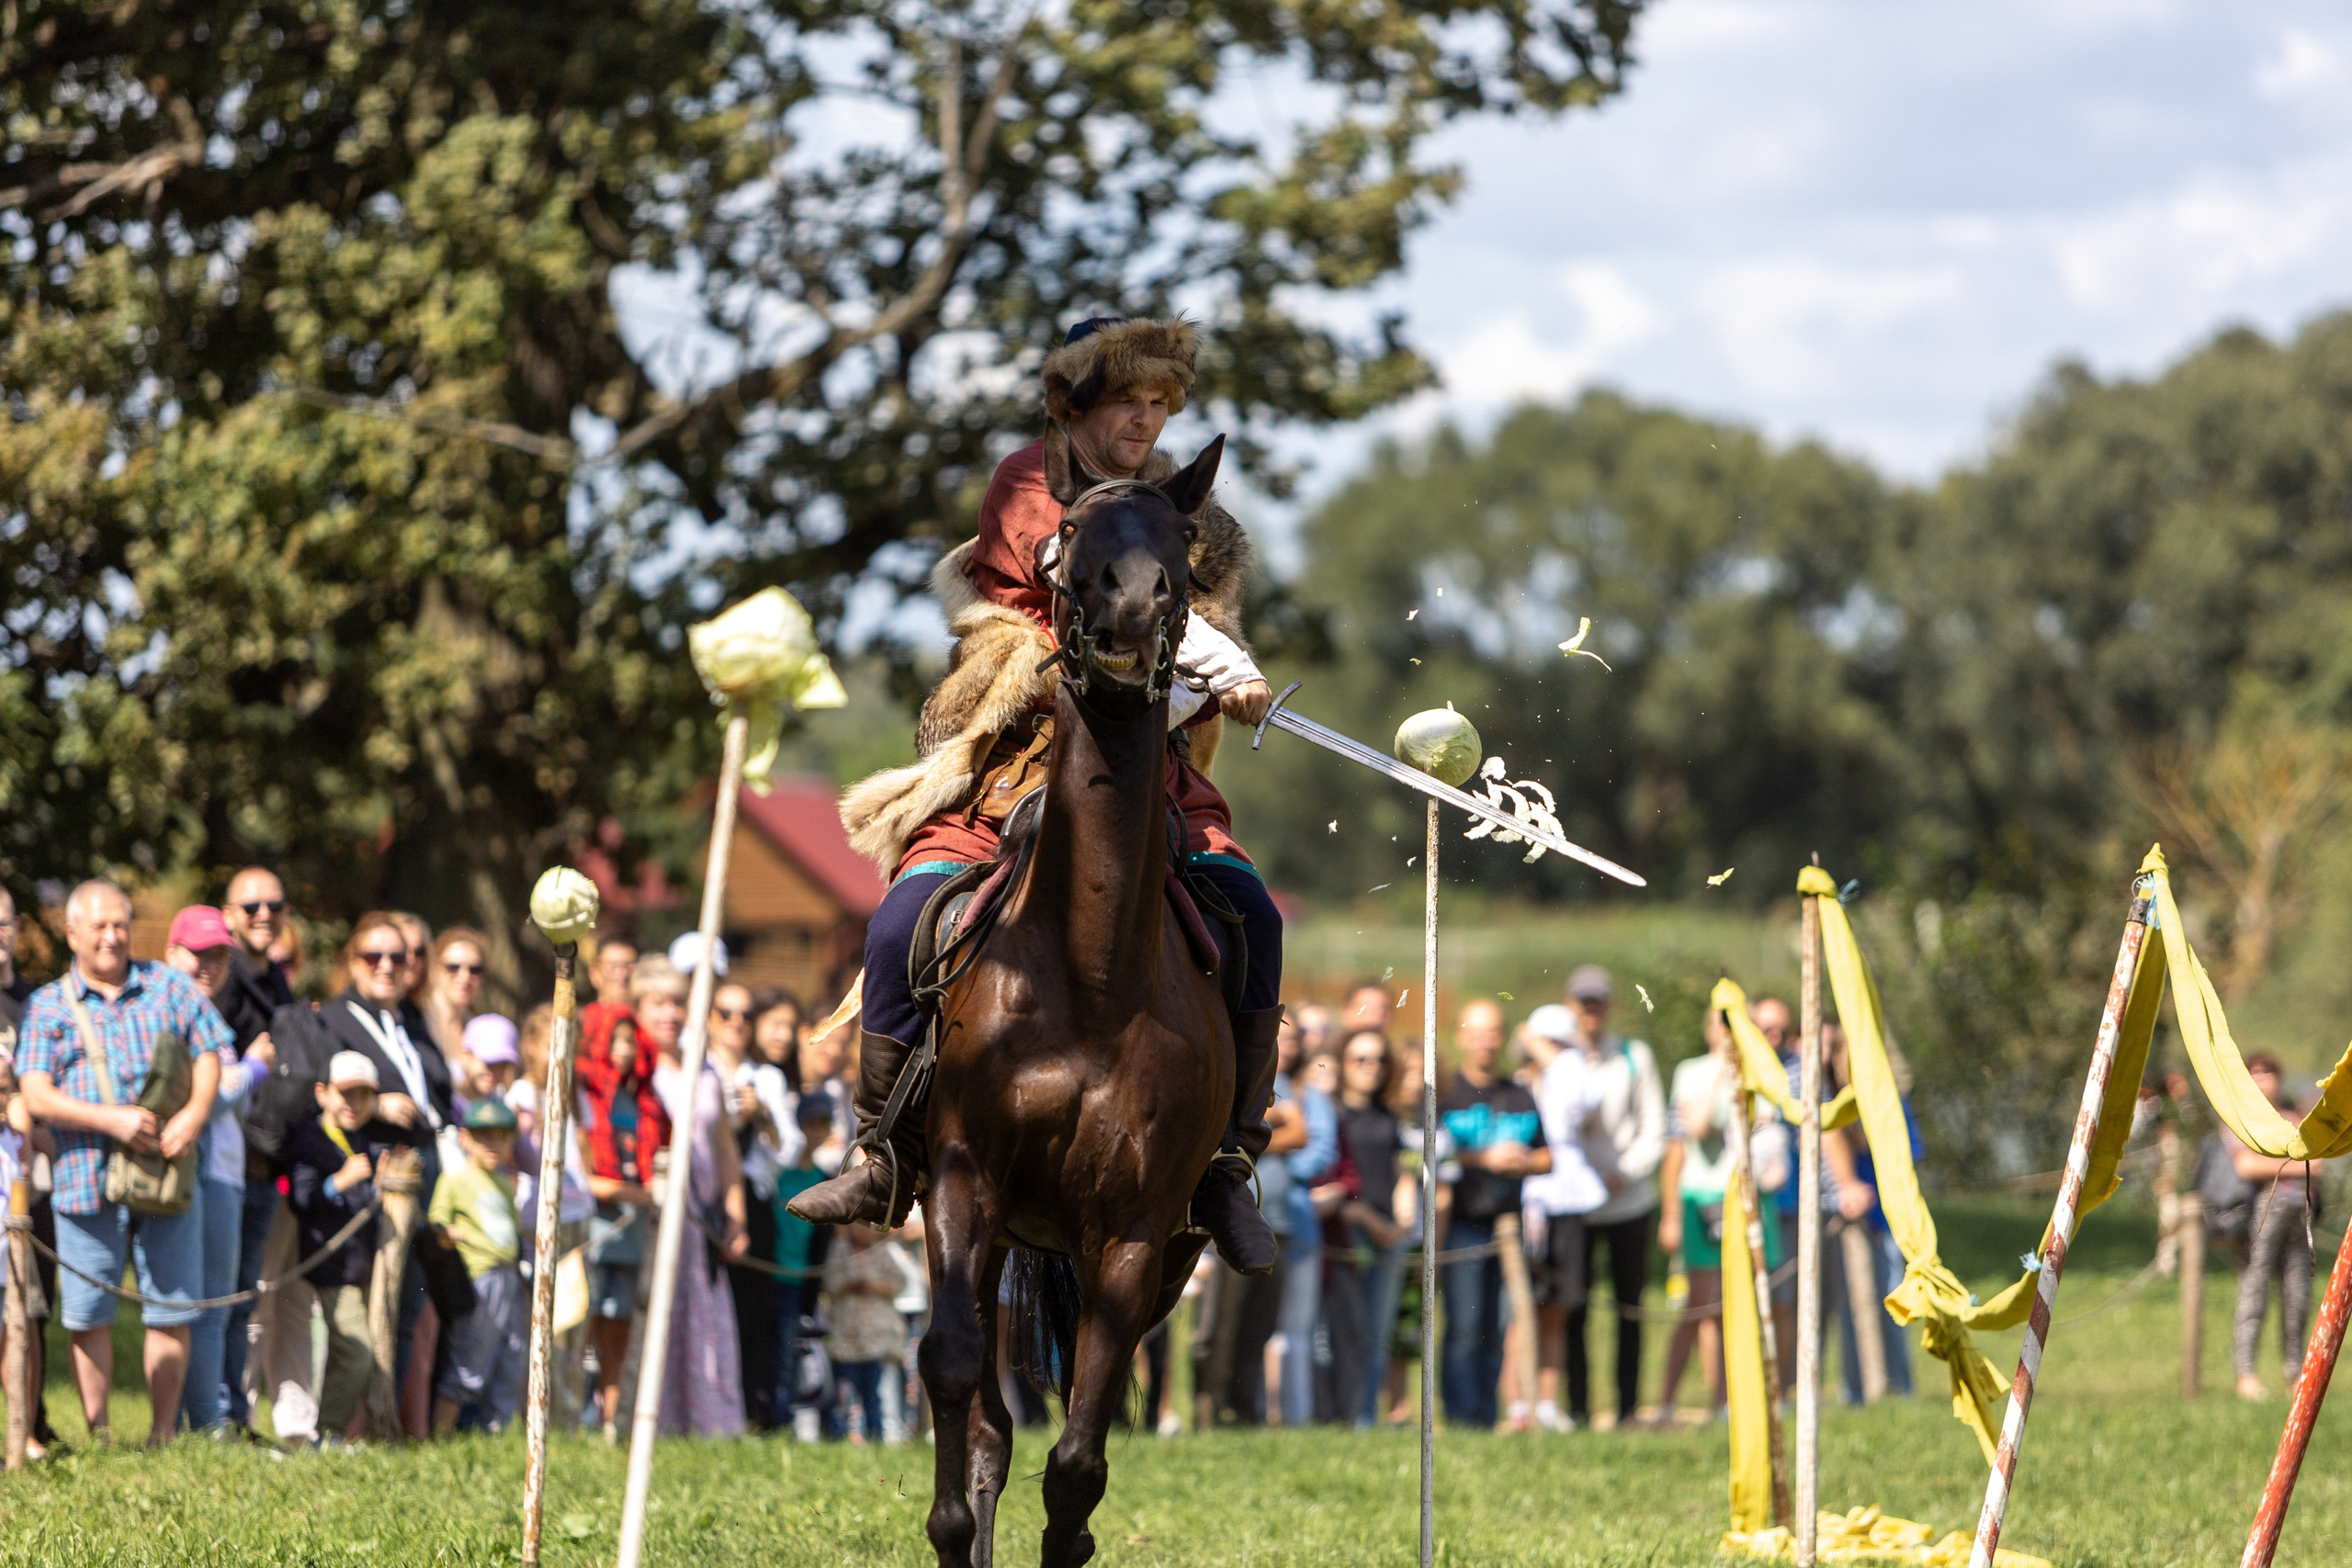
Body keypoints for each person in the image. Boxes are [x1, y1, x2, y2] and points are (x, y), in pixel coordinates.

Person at [797, 315, 1283, 1280]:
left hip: (1151, 772)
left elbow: (1160, 628)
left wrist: (1218, 675)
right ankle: (880, 1148)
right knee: (901, 921)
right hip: (1016, 756)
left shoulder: (1185, 504)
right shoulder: (1031, 476)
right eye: (1126, 403)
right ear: (1079, 408)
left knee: (1254, 918)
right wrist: (1212, 653)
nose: (1145, 422)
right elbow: (1094, 579)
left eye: (1160, 405)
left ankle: (1227, 1159)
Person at [15, 881, 227, 1448]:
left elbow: (210, 1050)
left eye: (120, 925)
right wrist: (110, 1120)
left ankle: (161, 1435)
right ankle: (102, 1438)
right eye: (99, 926)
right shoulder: (48, 1004)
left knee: (170, 1307)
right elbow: (34, 1093)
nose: (111, 937)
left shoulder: (167, 985)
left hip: (167, 1167)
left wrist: (195, 1115)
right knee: (87, 1313)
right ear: (73, 933)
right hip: (84, 1176)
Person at [161, 905, 277, 1434]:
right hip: (196, 1173)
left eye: (219, 956)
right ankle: (206, 1423)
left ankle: (209, 1418)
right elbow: (202, 1098)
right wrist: (252, 1069)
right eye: (197, 954)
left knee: (217, 1302)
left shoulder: (205, 1015)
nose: (209, 965)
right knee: (201, 1302)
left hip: (225, 1172)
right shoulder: (166, 1011)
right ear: (171, 952)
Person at [1541, 966, 1666, 1430]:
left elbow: (1655, 1126)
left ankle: (1629, 1408)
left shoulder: (1635, 1057)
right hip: (1576, 1204)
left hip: (1628, 1200)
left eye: (1597, 1003)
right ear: (1571, 1007)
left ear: (1609, 1007)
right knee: (1573, 1308)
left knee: (1629, 1307)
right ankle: (1578, 1408)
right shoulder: (1556, 1058)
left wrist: (1623, 1173)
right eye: (1582, 1004)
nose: (1590, 1012)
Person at [1656, 1004, 1790, 1421]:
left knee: (1746, 1306)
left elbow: (1768, 1126)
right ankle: (1666, 1402)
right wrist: (1723, 1068)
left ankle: (1732, 1402)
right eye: (1724, 1024)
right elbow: (1694, 1128)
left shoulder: (1761, 1070)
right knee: (1699, 1306)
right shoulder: (1691, 1071)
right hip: (1704, 1197)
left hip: (1750, 1198)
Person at [639, 956, 749, 1437]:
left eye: (678, 1003)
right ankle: (652, 1424)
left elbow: (726, 1150)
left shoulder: (703, 1074)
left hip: (701, 1222)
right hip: (655, 1221)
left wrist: (736, 1217)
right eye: (657, 1003)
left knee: (704, 1325)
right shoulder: (635, 1076)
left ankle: (707, 1425)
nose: (670, 1013)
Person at [1435, 998, 1546, 1429]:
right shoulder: (1445, 1094)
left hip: (1508, 1227)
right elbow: (1433, 1156)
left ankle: (1485, 1413)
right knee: (1463, 1324)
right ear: (1462, 1036)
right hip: (1462, 1225)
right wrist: (1484, 1158)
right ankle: (1459, 1415)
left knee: (1498, 1324)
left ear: (1502, 1038)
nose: (1484, 1042)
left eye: (1493, 1032)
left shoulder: (1519, 1093)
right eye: (1476, 1032)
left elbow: (1548, 1156)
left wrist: (1523, 1162)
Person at [284, 1052, 401, 1444]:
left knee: (347, 1351)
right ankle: (330, 1433)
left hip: (362, 1264)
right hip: (331, 1265)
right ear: (323, 1093)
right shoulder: (308, 1137)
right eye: (346, 1093)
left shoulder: (361, 1139)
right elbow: (301, 1200)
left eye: (365, 1095)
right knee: (357, 1351)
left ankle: (341, 1431)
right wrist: (340, 1182)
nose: (355, 1104)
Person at [710, 978, 792, 1427]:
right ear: (709, 1019)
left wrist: (761, 1114)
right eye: (726, 1013)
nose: (736, 1023)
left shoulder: (767, 1078)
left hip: (756, 1204)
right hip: (707, 1201)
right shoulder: (697, 1070)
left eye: (745, 1015)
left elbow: (787, 1151)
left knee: (752, 1314)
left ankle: (748, 1411)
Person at [1318, 1029, 1409, 1427]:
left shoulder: (1390, 1118)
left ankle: (1365, 1418)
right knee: (1342, 1331)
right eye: (1360, 1060)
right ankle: (1337, 1414)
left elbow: (1402, 1173)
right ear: (1344, 1064)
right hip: (1348, 1235)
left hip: (1389, 1237)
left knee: (1377, 1333)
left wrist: (1402, 1224)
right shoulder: (1332, 1113)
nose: (1370, 1069)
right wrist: (1369, 1221)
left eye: (1378, 1060)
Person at [430, 1099, 527, 1433]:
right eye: (483, 1135)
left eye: (501, 1136)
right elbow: (436, 1223)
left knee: (512, 1357)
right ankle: (440, 1438)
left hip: (510, 1276)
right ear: (466, 1138)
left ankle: (494, 1434)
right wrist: (449, 1233)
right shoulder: (456, 1180)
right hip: (479, 1278)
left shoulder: (503, 1183)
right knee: (470, 1360)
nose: (493, 1144)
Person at [2230, 1053, 2314, 1401]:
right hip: (2261, 1212)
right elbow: (2246, 1166)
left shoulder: (2297, 1113)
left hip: (2301, 1212)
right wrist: (2294, 1161)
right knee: (2255, 1290)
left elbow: (2320, 1161)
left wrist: (2276, 1161)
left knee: (2298, 1295)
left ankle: (2295, 1375)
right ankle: (2246, 1374)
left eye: (2268, 1072)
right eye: (2256, 1073)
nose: (2263, 1078)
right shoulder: (2243, 1116)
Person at [772, 1096, 840, 1438]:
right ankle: (778, 1418)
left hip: (808, 1281)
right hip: (774, 1276)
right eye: (812, 1123)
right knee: (781, 1353)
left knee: (809, 1354)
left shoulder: (825, 1177)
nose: (818, 1131)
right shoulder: (778, 1173)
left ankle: (813, 1423)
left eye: (824, 1124)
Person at [822, 1224, 908, 1443]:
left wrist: (875, 1287)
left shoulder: (883, 1251)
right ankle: (841, 1435)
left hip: (875, 1340)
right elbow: (828, 1282)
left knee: (875, 1392)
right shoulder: (838, 1249)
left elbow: (900, 1282)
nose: (862, 1230)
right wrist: (850, 1286)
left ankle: (876, 1434)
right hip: (847, 1337)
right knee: (846, 1391)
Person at [419, 928, 491, 1076]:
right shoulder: (418, 1021)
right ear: (434, 970)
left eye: (474, 970)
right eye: (453, 967)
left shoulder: (479, 1029)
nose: (465, 976)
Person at [588, 935, 639, 1007]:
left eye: (628, 966)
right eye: (612, 966)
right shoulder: (581, 1017)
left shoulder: (654, 1017)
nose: (622, 973)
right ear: (594, 974)